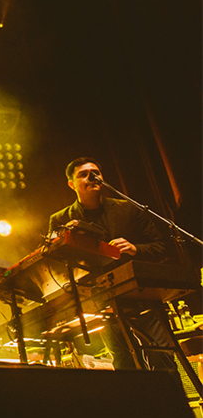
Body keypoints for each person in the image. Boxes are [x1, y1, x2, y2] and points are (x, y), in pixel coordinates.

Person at [48, 156, 171, 370]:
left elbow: (162, 248)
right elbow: (56, 267)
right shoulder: (60, 220)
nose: (92, 177)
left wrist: (134, 248)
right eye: (83, 174)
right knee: (124, 363)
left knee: (163, 358)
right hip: (102, 302)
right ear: (71, 184)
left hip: (142, 297)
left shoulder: (129, 208)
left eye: (96, 173)